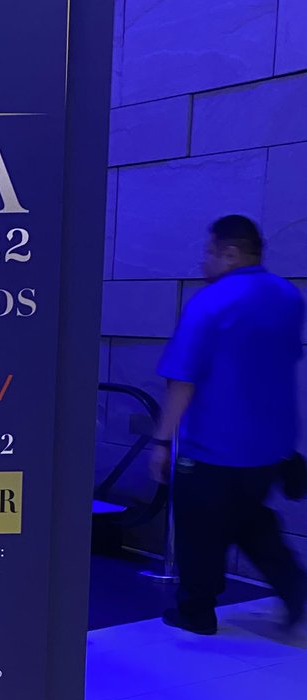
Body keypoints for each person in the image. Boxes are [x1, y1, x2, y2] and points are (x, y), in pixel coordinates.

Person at [151, 214, 306, 634]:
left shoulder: (210, 302)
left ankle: (196, 611)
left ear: (230, 253)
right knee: (248, 518)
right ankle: (295, 588)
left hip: (214, 445)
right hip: (272, 445)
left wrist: (162, 441)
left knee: (198, 529)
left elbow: (182, 379)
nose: (204, 261)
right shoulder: (289, 296)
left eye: (209, 251)